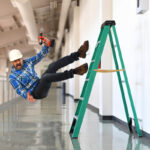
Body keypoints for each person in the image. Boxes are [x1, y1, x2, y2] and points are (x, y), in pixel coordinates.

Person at [9, 37, 89, 102]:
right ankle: (75, 71)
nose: (18, 62)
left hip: (40, 83)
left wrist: (47, 46)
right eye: (15, 61)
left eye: (19, 60)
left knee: (52, 66)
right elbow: (19, 90)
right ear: (12, 62)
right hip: (36, 93)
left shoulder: (27, 62)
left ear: (22, 58)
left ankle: (78, 54)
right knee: (46, 77)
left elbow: (39, 56)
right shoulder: (12, 77)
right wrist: (27, 95)